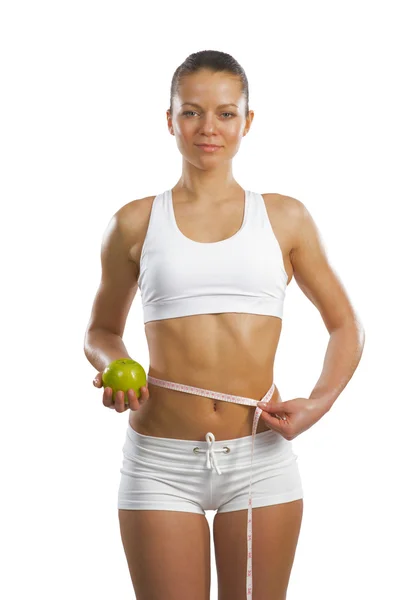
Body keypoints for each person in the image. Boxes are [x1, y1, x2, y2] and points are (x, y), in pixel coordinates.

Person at [84, 50, 365, 600]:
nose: (207, 128)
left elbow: (345, 326)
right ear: (169, 120)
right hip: (160, 461)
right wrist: (115, 362)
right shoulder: (134, 222)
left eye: (225, 113)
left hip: (259, 458)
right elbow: (99, 330)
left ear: (247, 121)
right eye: (190, 112)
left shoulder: (285, 218)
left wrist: (321, 401)